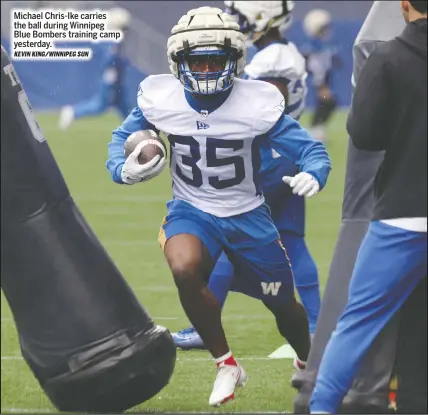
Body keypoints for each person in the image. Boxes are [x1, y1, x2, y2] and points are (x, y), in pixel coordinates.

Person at [106, 6, 331, 407]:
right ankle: (226, 364)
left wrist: (314, 171)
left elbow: (309, 147)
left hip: (248, 215)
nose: (207, 71)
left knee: (284, 307)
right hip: (192, 209)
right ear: (179, 61)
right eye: (199, 62)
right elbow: (122, 137)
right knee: (184, 267)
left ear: (235, 60)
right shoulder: (161, 97)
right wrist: (123, 167)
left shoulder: (256, 100)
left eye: (216, 61)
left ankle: (307, 360)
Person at [172, 1, 321, 357]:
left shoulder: (272, 61)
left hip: (267, 160)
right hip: (284, 159)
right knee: (291, 239)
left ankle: (202, 326)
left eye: (240, 16)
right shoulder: (286, 53)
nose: (236, 23)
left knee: (227, 230)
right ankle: (316, 324)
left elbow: (266, 113)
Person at [310, 1, 427, 412]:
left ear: (404, 6)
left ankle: (321, 407)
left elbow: (366, 135)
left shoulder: (387, 56)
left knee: (358, 323)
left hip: (402, 215)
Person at [59, 8, 131, 130]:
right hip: (112, 76)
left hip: (115, 74)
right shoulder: (114, 38)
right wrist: (119, 66)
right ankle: (73, 112)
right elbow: (111, 58)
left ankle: (133, 127)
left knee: (122, 105)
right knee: (100, 105)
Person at [301, 9, 342, 143]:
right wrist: (319, 83)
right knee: (328, 101)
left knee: (327, 103)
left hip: (325, 79)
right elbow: (315, 65)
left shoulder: (324, 43)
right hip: (320, 80)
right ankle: (315, 129)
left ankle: (317, 128)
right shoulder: (315, 45)